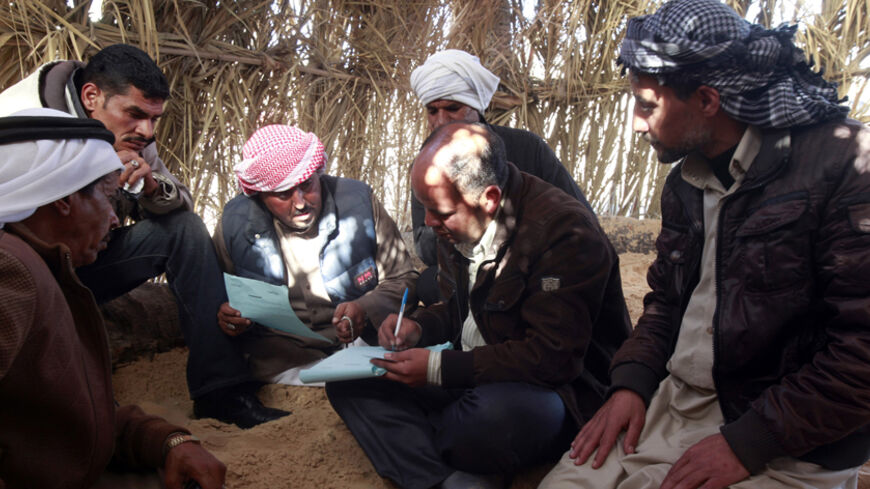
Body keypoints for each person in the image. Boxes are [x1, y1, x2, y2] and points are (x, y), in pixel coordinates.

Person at [540, 1, 870, 488]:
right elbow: (666, 304)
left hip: (792, 438)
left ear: (708, 100)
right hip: (679, 403)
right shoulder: (684, 184)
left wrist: (750, 441)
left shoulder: (846, 166)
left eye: (647, 105)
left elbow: (861, 351)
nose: (635, 123)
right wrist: (631, 385)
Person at [326, 121, 631, 489]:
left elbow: (554, 359)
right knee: (348, 384)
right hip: (473, 371)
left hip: (552, 391)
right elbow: (459, 310)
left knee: (491, 418)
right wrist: (420, 327)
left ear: (488, 198)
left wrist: (439, 368)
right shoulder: (456, 221)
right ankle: (445, 478)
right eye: (425, 209)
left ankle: (427, 450)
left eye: (438, 212)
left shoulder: (565, 234)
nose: (428, 222)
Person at [0, 44, 287, 428]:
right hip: (23, 270)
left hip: (87, 261)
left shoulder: (135, 138)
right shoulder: (21, 122)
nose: (147, 132)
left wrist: (152, 188)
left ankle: (222, 392)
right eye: (135, 115)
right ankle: (91, 415)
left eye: (154, 119)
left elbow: (181, 201)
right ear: (91, 97)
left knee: (184, 229)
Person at [0, 108, 226, 489]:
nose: (115, 219)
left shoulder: (48, 268)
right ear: (64, 199)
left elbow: (71, 414)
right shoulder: (13, 270)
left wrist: (168, 440)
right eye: (106, 199)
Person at [213, 124, 418, 384]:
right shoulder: (236, 224)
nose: (300, 202)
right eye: (283, 194)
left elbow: (405, 280)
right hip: (282, 355)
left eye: (307, 185)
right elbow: (220, 299)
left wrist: (364, 308)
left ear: (318, 174)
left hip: (360, 343)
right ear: (261, 196)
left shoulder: (358, 203)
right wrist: (229, 316)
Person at [408, 49, 595, 304]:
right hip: (467, 268)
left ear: (476, 107)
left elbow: (583, 223)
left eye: (453, 108)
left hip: (532, 271)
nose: (441, 121)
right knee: (430, 283)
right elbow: (426, 247)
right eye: (432, 111)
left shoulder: (527, 148)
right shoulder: (428, 163)